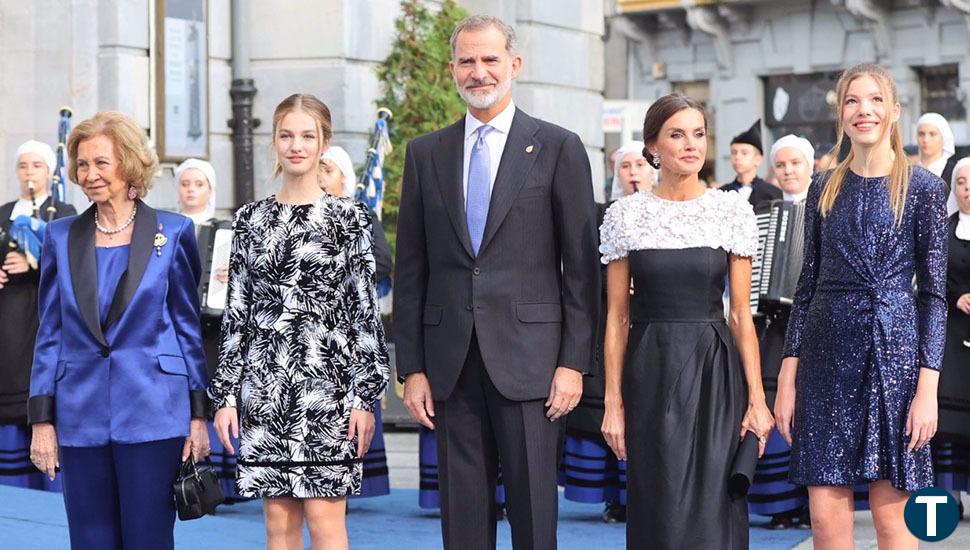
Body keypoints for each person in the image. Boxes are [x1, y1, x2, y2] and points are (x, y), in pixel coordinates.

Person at [393, 14, 599, 549]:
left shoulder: (558, 147)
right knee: (462, 520)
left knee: (534, 518)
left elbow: (581, 271)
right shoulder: (425, 154)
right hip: (450, 365)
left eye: (489, 59)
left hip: (533, 365)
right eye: (467, 60)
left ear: (514, 64)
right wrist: (411, 368)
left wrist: (574, 364)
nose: (479, 72)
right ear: (453, 69)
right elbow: (412, 270)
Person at [775, 63, 947, 549]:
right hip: (826, 358)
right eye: (852, 100)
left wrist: (927, 388)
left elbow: (934, 296)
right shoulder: (822, 187)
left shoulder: (923, 189)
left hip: (894, 358)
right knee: (826, 513)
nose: (864, 110)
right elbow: (806, 286)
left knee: (893, 516)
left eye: (875, 100)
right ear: (841, 113)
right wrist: (788, 376)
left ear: (894, 111)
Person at [209, 94, 390, 550]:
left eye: (307, 136)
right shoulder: (250, 220)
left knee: (326, 524)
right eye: (287, 135)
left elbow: (364, 315)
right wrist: (227, 396)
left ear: (324, 142)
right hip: (265, 389)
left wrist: (364, 397)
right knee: (278, 526)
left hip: (329, 390)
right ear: (274, 141)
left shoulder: (349, 220)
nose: (296, 145)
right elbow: (237, 315)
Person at [27, 111, 210, 549]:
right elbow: (49, 333)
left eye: (101, 163)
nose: (89, 175)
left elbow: (187, 328)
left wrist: (198, 414)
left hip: (154, 413)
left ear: (128, 163)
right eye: (83, 164)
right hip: (80, 413)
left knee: (147, 539)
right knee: (90, 540)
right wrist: (41, 420)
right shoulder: (60, 236)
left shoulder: (174, 230)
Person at [599, 94, 774, 549]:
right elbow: (617, 318)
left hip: (716, 374)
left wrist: (757, 397)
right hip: (649, 372)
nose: (691, 145)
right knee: (657, 503)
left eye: (698, 134)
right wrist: (613, 403)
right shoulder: (625, 215)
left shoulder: (731, 210)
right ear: (652, 146)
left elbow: (740, 313)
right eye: (677, 134)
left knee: (715, 506)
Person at [561, 142, 646, 524]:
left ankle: (642, 495)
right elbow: (582, 269)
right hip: (607, 325)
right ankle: (612, 495)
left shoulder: (668, 210)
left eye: (640, 164)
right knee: (605, 408)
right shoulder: (600, 215)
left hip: (650, 327)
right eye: (625, 165)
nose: (632, 172)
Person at [747, 135, 814, 530]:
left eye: (795, 164)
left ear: (809, 166)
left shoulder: (825, 208)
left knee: (811, 413)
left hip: (814, 328)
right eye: (782, 165)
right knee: (776, 408)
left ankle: (811, 501)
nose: (789, 171)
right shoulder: (762, 212)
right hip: (774, 328)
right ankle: (780, 502)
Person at [0, 140, 75, 490]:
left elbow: (73, 261)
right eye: (23, 166)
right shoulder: (4, 212)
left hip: (46, 309)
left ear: (49, 171)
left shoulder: (62, 212)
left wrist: (32, 263)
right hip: (10, 315)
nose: (29, 172)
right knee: (12, 377)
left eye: (36, 166)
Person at [319, 145, 392, 498]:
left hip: (350, 333)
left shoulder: (361, 215)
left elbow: (383, 261)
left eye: (328, 170)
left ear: (345, 178)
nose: (320, 177)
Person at [173, 158, 242, 503]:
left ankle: (221, 480)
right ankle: (183, 473)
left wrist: (229, 278)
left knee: (212, 393)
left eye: (198, 184)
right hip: (174, 323)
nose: (191, 190)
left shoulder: (224, 230)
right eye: (185, 184)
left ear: (210, 190)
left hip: (212, 328)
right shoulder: (166, 227)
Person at [933, 156, 970, 518]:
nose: (968, 190)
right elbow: (928, 278)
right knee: (950, 420)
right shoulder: (942, 230)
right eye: (961, 183)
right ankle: (950, 497)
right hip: (953, 334)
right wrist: (955, 295)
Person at [721, 119, 782, 205]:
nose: (737, 157)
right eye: (734, 153)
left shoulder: (773, 193)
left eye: (744, 153)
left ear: (758, 160)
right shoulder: (722, 193)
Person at [916, 112, 958, 189]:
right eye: (921, 134)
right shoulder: (909, 170)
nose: (926, 140)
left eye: (932, 134)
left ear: (943, 137)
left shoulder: (955, 171)